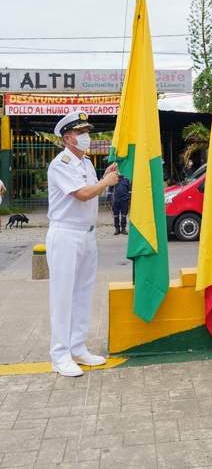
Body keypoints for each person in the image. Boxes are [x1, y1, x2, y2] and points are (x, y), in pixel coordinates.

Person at [46, 111, 119, 377]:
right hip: (66, 234)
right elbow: (83, 194)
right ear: (67, 138)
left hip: (87, 234)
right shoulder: (62, 163)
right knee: (63, 296)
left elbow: (92, 187)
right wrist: (105, 181)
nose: (87, 136)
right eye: (81, 133)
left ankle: (77, 347)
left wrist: (104, 176)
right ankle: (60, 355)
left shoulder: (85, 162)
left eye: (87, 132)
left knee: (83, 294)